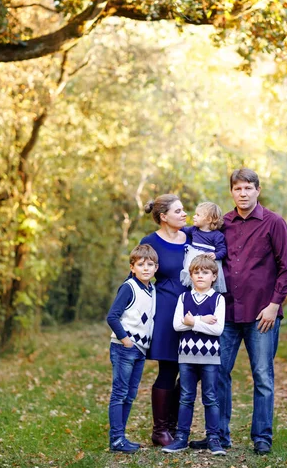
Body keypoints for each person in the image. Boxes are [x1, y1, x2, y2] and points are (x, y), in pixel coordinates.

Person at [189, 168, 287, 455]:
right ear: (232, 192)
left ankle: (262, 437)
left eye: (248, 188)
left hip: (263, 314)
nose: (243, 193)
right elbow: (200, 250)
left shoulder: (274, 223)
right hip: (225, 312)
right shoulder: (223, 223)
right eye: (238, 189)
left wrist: (274, 305)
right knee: (218, 373)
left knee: (262, 376)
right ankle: (218, 435)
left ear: (258, 190)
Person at [162, 255, 226, 456]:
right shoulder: (184, 298)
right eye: (196, 272)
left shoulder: (218, 299)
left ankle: (213, 439)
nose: (200, 276)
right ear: (190, 275)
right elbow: (177, 325)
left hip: (210, 357)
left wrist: (193, 322)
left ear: (213, 276)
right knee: (186, 397)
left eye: (205, 272)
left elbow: (218, 330)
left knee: (211, 398)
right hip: (186, 356)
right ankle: (181, 438)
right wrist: (202, 320)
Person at [141, 194, 190, 446]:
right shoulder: (150, 242)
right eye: (179, 211)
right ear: (163, 216)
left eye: (184, 210)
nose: (184, 214)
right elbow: (140, 274)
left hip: (193, 310)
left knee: (191, 370)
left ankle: (174, 425)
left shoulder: (192, 237)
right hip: (166, 310)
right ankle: (160, 430)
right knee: (169, 369)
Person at [106, 244, 158, 453]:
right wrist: (125, 339)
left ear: (156, 267)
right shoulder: (129, 287)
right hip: (125, 347)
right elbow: (112, 316)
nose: (146, 268)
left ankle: (121, 437)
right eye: (141, 264)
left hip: (140, 350)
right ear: (132, 267)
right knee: (119, 393)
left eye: (150, 264)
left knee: (130, 394)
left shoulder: (152, 289)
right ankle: (116, 439)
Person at [180, 202, 227, 293]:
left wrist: (216, 255)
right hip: (194, 261)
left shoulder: (217, 235)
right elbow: (182, 229)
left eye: (198, 215)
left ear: (209, 219)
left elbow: (223, 250)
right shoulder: (194, 230)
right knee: (194, 282)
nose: (194, 217)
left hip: (207, 263)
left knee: (207, 285)